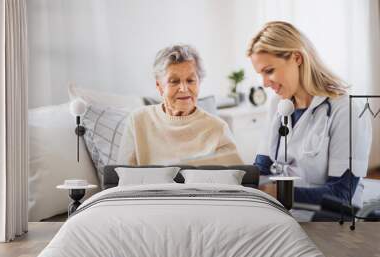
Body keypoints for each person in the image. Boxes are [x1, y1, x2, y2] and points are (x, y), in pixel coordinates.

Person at [247, 21, 372, 207]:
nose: (265, 83)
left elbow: (341, 193)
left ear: (297, 58)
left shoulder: (347, 109)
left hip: (328, 218)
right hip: (283, 211)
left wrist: (280, 194)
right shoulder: (278, 104)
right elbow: (262, 167)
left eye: (269, 71)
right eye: (260, 74)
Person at [118, 44, 243, 166]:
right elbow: (123, 179)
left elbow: (238, 181)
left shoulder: (218, 129)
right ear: (159, 87)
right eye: (174, 81)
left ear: (199, 83)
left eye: (190, 80)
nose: (183, 88)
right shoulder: (137, 121)